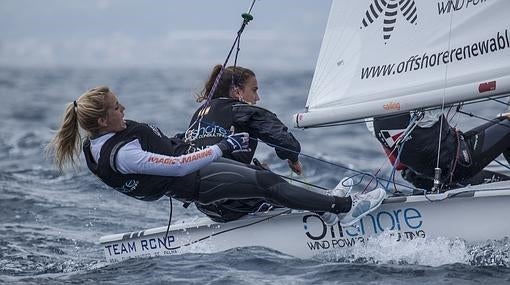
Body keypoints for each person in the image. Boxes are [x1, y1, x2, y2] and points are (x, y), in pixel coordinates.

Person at [48, 86, 386, 227]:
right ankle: (345, 209)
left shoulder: (100, 141)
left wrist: (188, 143)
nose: (124, 109)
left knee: (262, 178)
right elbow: (178, 166)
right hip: (196, 180)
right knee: (266, 182)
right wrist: (223, 147)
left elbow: (166, 150)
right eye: (117, 108)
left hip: (197, 166)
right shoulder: (123, 155)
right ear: (104, 121)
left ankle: (325, 200)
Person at [184, 65, 305, 222]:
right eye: (254, 90)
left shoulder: (200, 114)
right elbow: (285, 141)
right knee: (270, 181)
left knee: (258, 172)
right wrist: (293, 158)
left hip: (204, 202)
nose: (257, 98)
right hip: (232, 199)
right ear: (237, 91)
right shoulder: (241, 110)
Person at [368, 108, 510, 191]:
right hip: (458, 165)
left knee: (503, 119)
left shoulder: (369, 117)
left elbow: (398, 164)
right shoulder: (420, 96)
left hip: (420, 178)